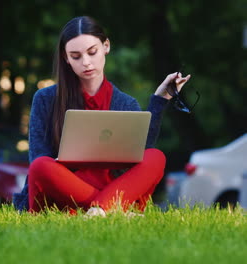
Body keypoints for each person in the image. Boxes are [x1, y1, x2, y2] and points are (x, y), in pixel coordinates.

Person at [12, 16, 190, 216]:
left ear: (106, 46)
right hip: (63, 192)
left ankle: (100, 210)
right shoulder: (45, 98)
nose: (86, 62)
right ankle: (112, 211)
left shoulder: (125, 103)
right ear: (65, 58)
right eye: (76, 56)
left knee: (155, 157)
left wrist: (160, 98)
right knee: (40, 165)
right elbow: (39, 157)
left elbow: (140, 153)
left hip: (112, 189)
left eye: (92, 52)